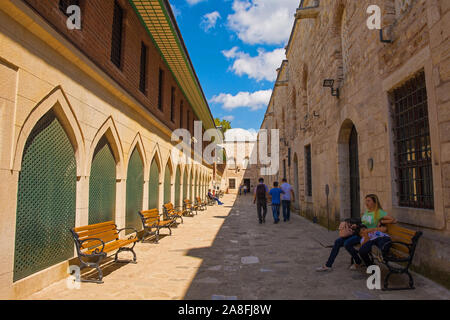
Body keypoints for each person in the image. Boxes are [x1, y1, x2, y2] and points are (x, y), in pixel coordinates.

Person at [358, 194, 396, 266]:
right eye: (366, 201)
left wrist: (381, 222)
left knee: (383, 242)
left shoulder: (378, 212)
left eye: (368, 201)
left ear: (374, 202)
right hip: (368, 235)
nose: (366, 203)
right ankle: (371, 268)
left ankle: (385, 254)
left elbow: (393, 220)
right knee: (362, 251)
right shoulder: (367, 212)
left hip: (376, 234)